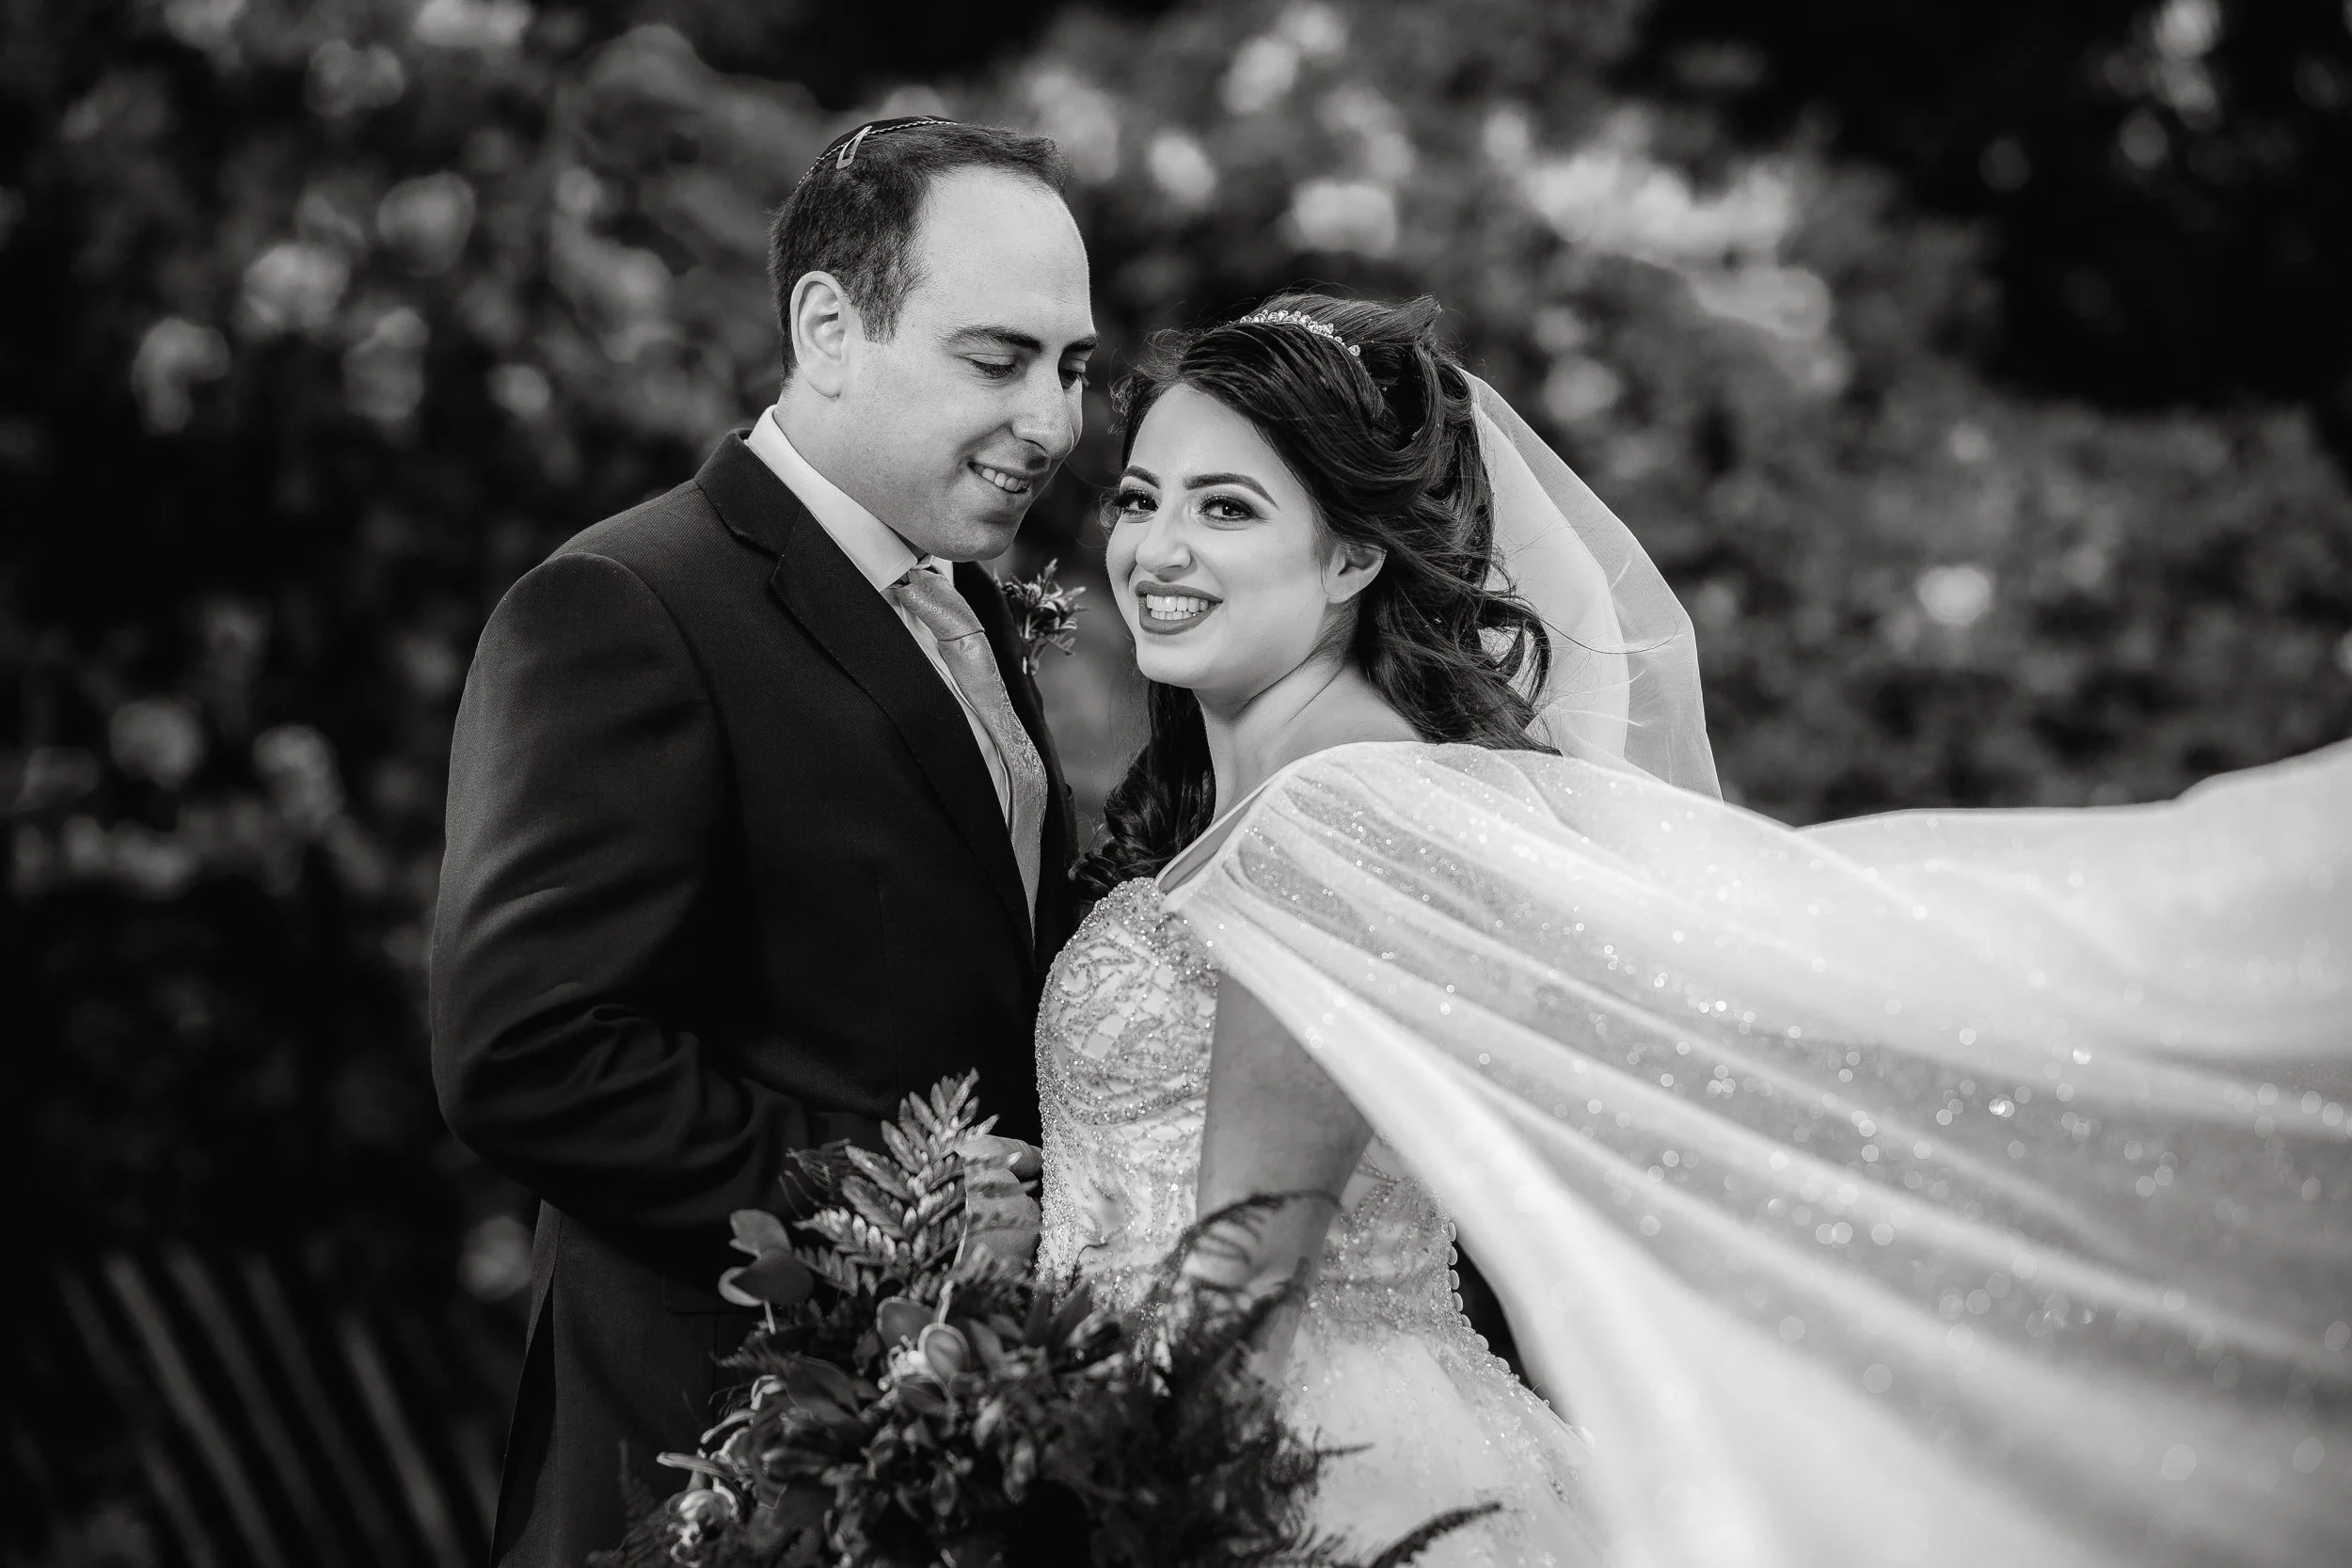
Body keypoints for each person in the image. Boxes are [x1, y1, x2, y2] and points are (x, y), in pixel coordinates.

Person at [1034, 293, 2352, 1568]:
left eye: (1227, 508)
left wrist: (1066, 1501)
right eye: (1141, 499)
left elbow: (1243, 1278)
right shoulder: (1376, 787)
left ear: (1354, 555)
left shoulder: (1325, 823)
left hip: (1276, 1473)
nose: (1156, 550)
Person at [432, 119, 1093, 1564]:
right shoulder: (624, 605)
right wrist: (897, 1216)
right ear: (827, 325)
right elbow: (529, 1049)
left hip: (952, 1463)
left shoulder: (966, 603)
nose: (1052, 420)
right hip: (708, 1465)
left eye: (1073, 366)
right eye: (999, 359)